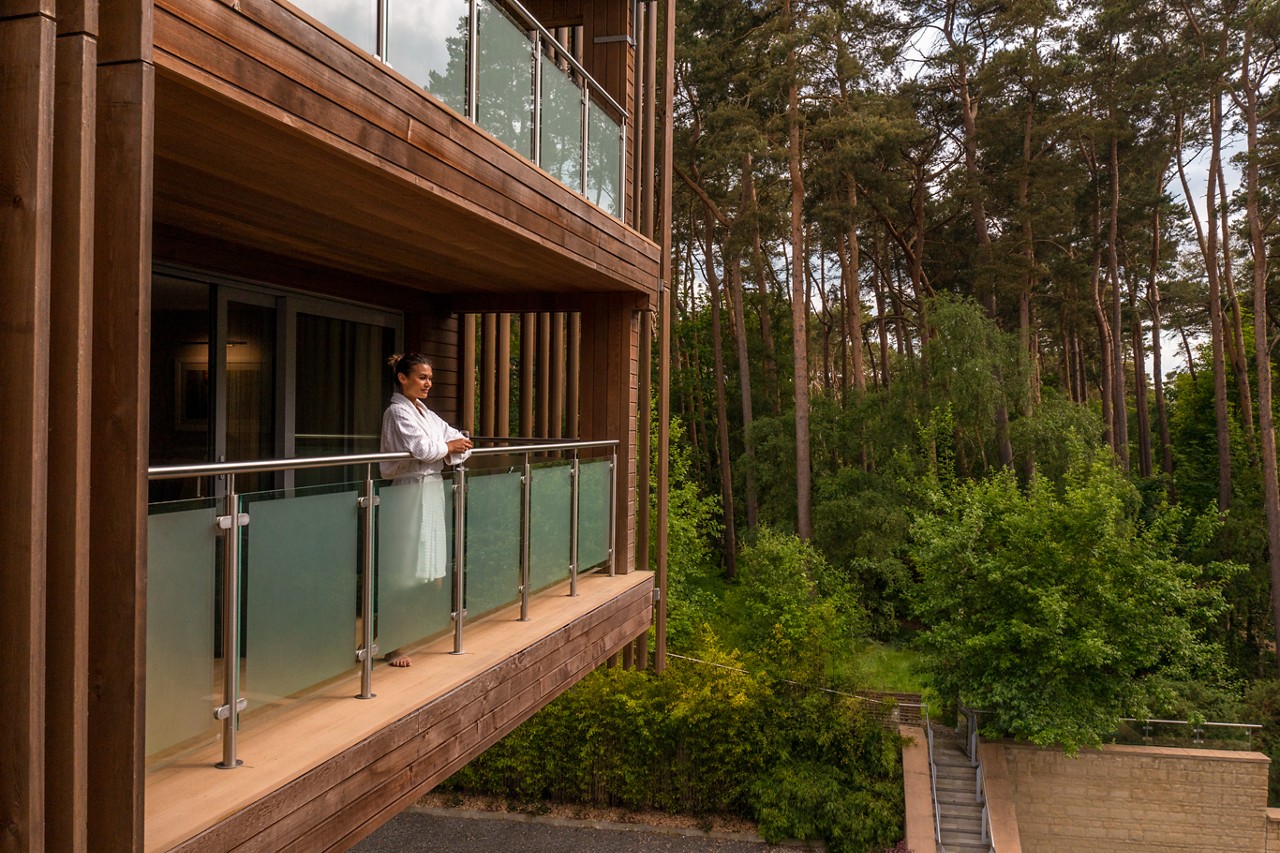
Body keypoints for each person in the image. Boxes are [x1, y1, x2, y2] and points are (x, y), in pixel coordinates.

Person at [379, 353, 473, 667]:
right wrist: (446, 447)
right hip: (408, 491)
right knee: (405, 567)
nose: (428, 383)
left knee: (427, 569)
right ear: (402, 378)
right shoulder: (397, 412)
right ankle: (390, 643)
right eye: (421, 377)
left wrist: (447, 446)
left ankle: (389, 636)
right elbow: (424, 449)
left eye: (430, 378)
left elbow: (457, 440)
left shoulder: (425, 413)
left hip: (430, 487)